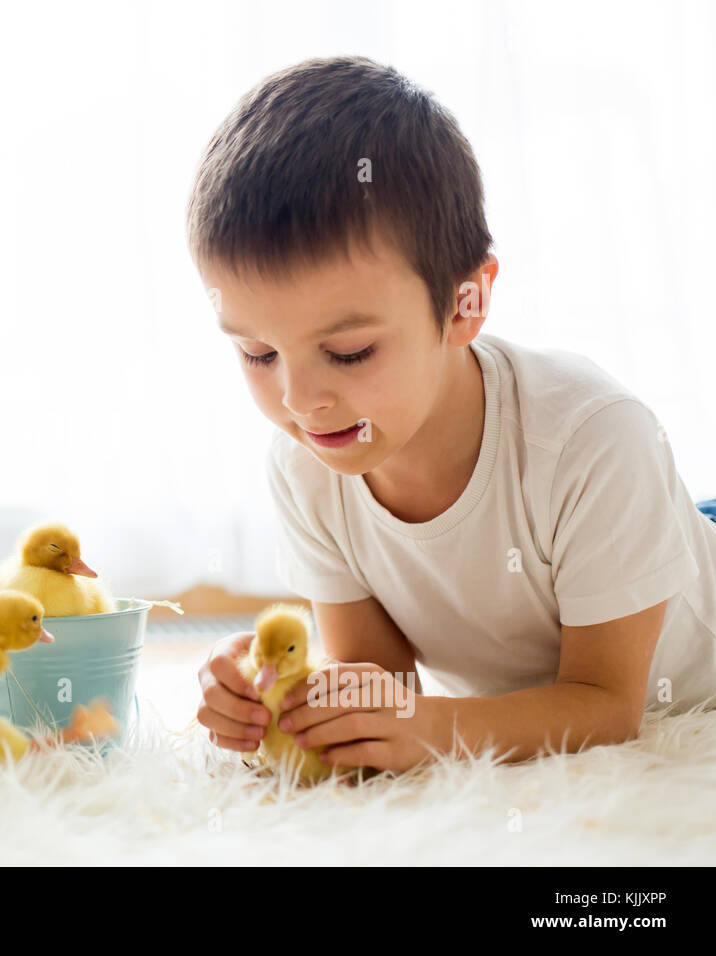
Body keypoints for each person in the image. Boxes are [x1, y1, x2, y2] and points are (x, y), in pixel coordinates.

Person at [189, 56, 716, 774]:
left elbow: (607, 704)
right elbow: (381, 685)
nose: (300, 399)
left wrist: (438, 731)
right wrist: (274, 701)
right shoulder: (305, 466)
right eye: (257, 353)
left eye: (349, 352)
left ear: (466, 303)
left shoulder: (593, 437)